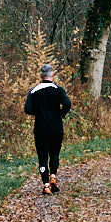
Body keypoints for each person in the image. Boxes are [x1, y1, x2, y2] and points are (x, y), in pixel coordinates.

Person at [24, 64, 72, 195]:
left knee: (42, 157)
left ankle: (45, 184)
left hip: (41, 129)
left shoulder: (34, 91)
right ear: (53, 75)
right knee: (54, 154)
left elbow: (27, 109)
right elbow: (67, 104)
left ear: (41, 75)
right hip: (56, 128)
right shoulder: (58, 89)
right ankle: (53, 176)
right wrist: (61, 113)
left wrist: (38, 112)